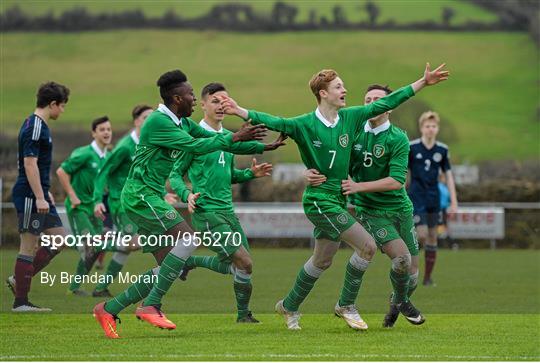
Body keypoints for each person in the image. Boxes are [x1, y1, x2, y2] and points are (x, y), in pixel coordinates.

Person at [221, 63, 449, 330]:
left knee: (322, 260)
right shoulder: (305, 124)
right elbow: (276, 121)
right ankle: (346, 305)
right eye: (339, 86)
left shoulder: (351, 118)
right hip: (319, 201)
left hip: (338, 199)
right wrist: (239, 110)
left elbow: (390, 100)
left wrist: (422, 82)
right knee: (367, 247)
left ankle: (289, 305)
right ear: (323, 93)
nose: (345, 90)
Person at [92, 69, 273, 339]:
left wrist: (262, 147)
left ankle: (108, 308)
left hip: (148, 197)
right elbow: (195, 147)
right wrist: (235, 137)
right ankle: (151, 305)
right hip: (141, 195)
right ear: (177, 99)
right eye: (191, 95)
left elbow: (211, 141)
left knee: (168, 268)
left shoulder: (182, 122)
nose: (194, 100)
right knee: (187, 238)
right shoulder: (158, 122)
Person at [169, 82, 285, 323]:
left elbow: (229, 175)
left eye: (225, 101)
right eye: (215, 101)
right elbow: (174, 174)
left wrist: (250, 175)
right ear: (202, 105)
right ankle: (243, 314)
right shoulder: (194, 138)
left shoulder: (229, 138)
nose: (221, 106)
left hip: (228, 212)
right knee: (244, 260)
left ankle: (193, 263)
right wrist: (186, 195)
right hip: (207, 213)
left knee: (241, 267)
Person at [8, 81, 71, 312]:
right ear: (53, 104)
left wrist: (46, 194)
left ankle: (19, 279)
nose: (62, 111)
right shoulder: (34, 126)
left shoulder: (41, 126)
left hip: (39, 194)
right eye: (62, 106)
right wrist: (39, 196)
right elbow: (29, 163)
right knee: (28, 245)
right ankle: (20, 303)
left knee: (59, 239)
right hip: (29, 195)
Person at [57, 116, 124, 295]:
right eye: (102, 129)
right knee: (93, 244)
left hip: (96, 209)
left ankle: (75, 287)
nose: (106, 133)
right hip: (79, 208)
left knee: (93, 250)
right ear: (93, 133)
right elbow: (61, 171)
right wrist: (72, 196)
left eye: (109, 129)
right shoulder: (83, 153)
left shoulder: (110, 157)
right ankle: (124, 246)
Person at [91, 105, 153, 297]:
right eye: (145, 118)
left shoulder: (147, 144)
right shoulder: (125, 146)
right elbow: (104, 171)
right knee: (135, 243)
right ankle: (96, 245)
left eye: (152, 118)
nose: (149, 121)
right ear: (136, 121)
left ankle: (101, 288)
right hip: (120, 202)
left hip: (135, 201)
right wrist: (97, 200)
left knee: (127, 248)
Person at [408, 111, 458, 286]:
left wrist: (454, 201)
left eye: (433, 126)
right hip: (415, 197)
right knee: (421, 234)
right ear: (421, 128)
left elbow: (449, 176)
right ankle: (410, 270)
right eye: (427, 126)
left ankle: (427, 278)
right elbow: (404, 174)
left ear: (437, 129)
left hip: (433, 198)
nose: (430, 129)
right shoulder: (412, 148)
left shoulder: (442, 150)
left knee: (432, 236)